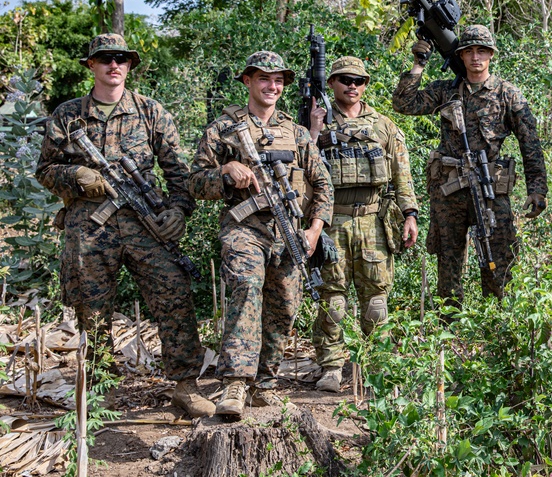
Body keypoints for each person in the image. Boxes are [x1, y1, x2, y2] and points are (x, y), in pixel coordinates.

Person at [35, 33, 214, 417]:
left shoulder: (150, 111)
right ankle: (100, 389)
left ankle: (186, 386)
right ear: (91, 65)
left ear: (130, 64)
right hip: (89, 223)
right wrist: (77, 176)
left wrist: (178, 211)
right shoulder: (68, 114)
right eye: (105, 58)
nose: (113, 64)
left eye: (121, 58)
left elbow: (178, 172)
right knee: (92, 307)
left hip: (144, 221)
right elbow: (45, 169)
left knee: (174, 291)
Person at [189, 51, 333, 418]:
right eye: (264, 79)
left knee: (285, 305)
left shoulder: (297, 133)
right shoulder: (223, 129)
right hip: (245, 228)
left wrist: (314, 230)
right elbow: (194, 182)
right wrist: (225, 170)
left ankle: (263, 385)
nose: (272, 86)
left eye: (278, 80)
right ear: (248, 81)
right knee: (247, 287)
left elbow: (322, 184)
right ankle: (236, 383)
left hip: (289, 233)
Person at [392, 24, 547, 307]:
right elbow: (404, 103)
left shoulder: (507, 94)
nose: (476, 57)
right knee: (448, 259)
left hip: (489, 189)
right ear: (460, 56)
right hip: (449, 190)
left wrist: (537, 189)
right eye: (469, 51)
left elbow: (531, 144)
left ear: (491, 54)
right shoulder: (447, 90)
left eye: (482, 51)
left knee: (498, 256)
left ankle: (495, 318)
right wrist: (418, 64)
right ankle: (450, 322)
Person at [308, 56, 419, 393]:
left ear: (366, 85)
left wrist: (410, 214)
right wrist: (314, 130)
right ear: (331, 83)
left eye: (358, 81)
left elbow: (402, 175)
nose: (352, 86)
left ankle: (376, 367)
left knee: (376, 302)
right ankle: (331, 366)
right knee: (333, 300)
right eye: (345, 80)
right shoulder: (317, 121)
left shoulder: (383, 125)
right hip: (332, 221)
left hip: (373, 220)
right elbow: (302, 170)